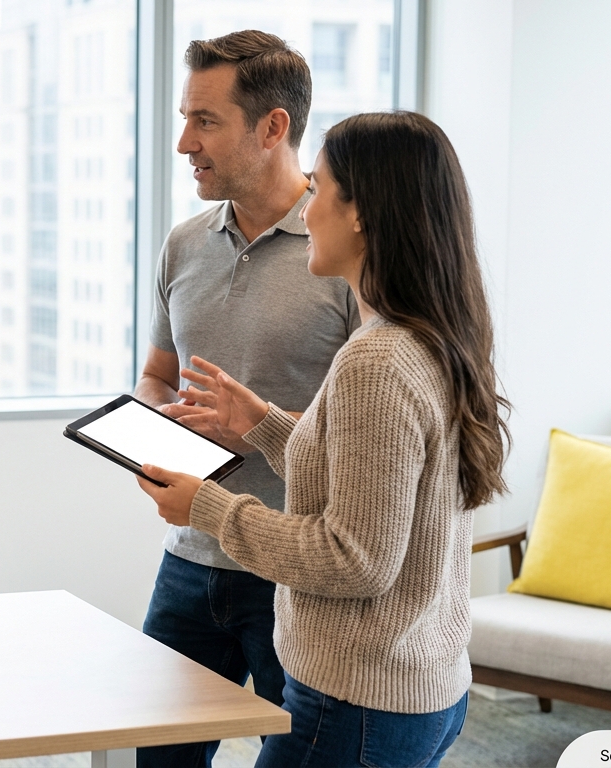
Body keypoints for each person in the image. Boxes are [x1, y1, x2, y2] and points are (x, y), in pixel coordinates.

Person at [136, 111, 510, 767]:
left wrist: (208, 507)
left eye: (321, 188)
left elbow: (354, 560)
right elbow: (379, 480)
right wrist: (265, 425)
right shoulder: (424, 337)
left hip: (357, 702)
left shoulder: (377, 361)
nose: (307, 211)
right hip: (418, 688)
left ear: (360, 212)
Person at [132, 31, 357, 767]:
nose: (182, 143)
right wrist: (159, 426)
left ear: (273, 127)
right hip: (189, 558)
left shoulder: (348, 250)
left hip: (294, 571)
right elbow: (158, 374)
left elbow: (368, 421)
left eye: (205, 120)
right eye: (183, 117)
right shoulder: (183, 243)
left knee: (291, 754)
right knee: (158, 758)